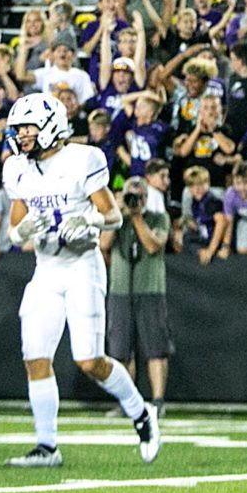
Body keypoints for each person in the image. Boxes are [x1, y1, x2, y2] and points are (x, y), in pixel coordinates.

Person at [1, 91, 162, 469]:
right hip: (45, 269)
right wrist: (23, 230)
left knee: (89, 361)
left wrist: (89, 219)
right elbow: (13, 230)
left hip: (82, 266)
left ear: (50, 126)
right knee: (35, 356)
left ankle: (141, 412)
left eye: (28, 128)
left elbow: (113, 216)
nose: (21, 135)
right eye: (19, 129)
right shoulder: (18, 168)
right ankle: (47, 447)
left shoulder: (82, 159)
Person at [106, 161, 173, 419]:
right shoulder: (117, 220)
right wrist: (116, 213)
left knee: (155, 348)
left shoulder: (158, 218)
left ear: (146, 198)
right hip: (120, 291)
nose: (135, 200)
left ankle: (157, 401)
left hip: (150, 290)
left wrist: (136, 218)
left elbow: (153, 245)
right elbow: (103, 244)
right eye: (131, 196)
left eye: (139, 196)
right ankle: (127, 402)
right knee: (121, 351)